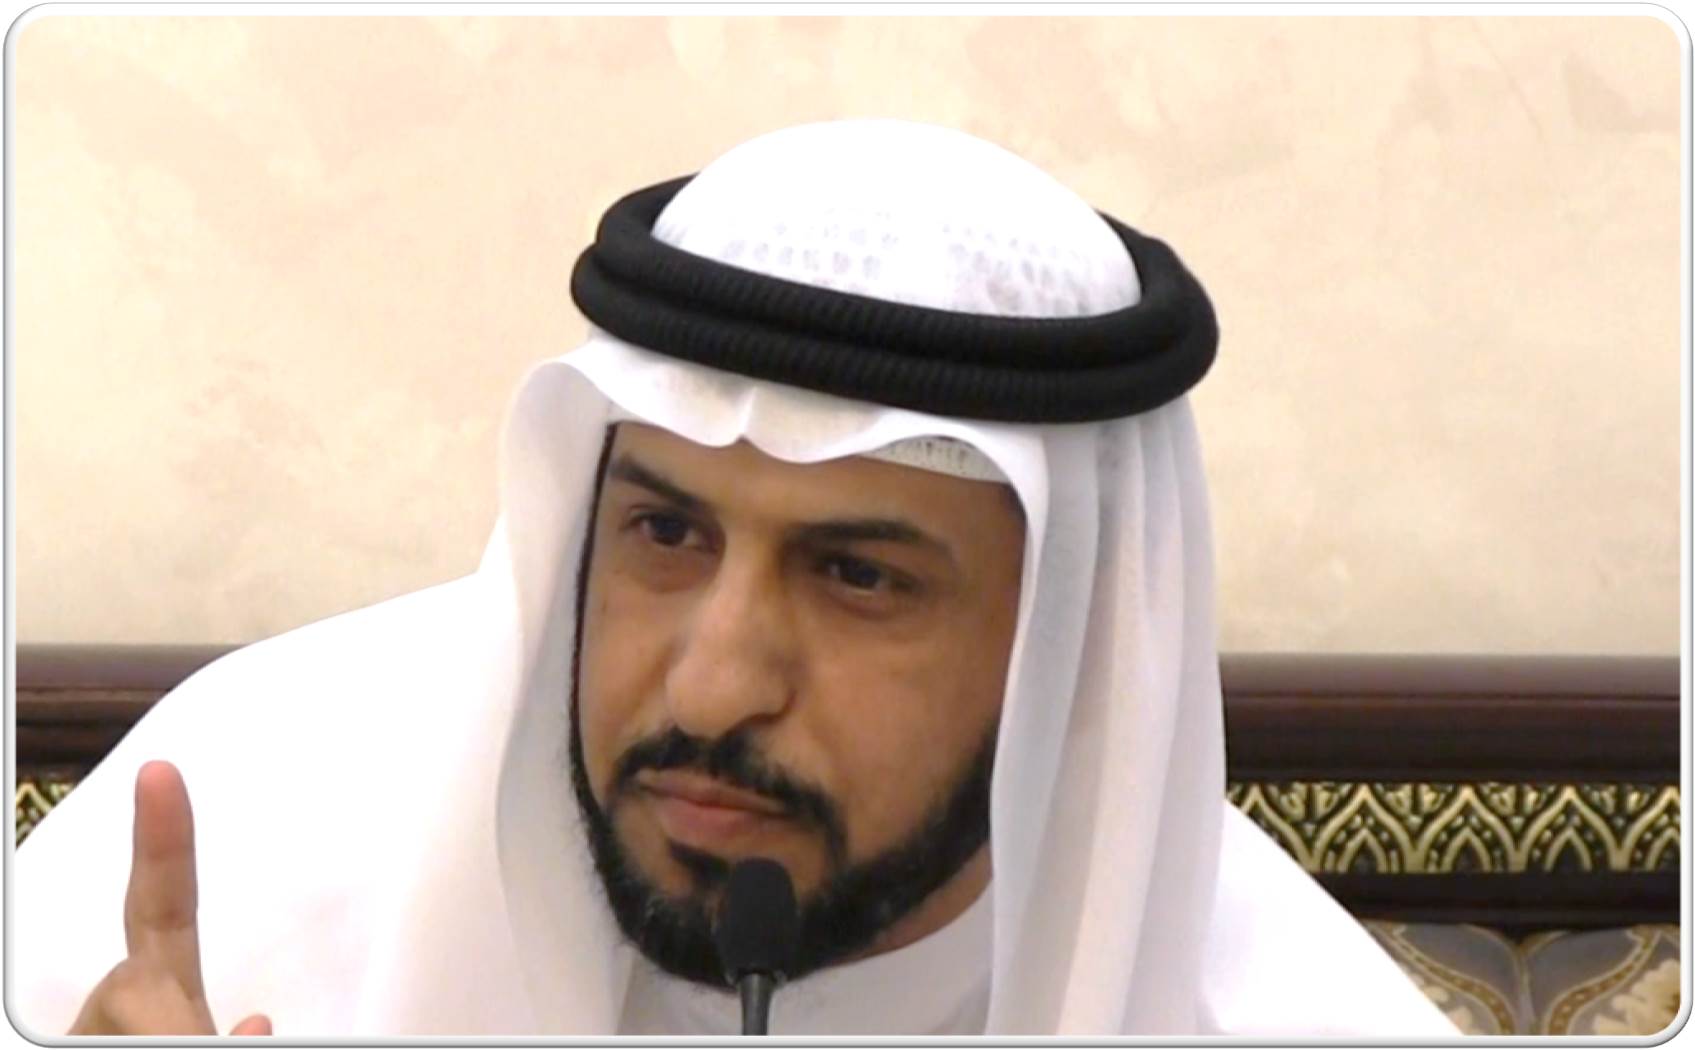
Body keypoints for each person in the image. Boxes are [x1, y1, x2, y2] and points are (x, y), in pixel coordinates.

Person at [11, 119, 1456, 1037]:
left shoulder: (1287, 1015)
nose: (710, 688)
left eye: (858, 576)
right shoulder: (241, 829)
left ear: (1061, 653)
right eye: (667, 534)